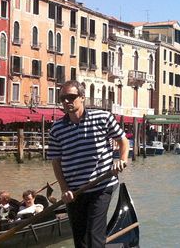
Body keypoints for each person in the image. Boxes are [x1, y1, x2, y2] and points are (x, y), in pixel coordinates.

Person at [48, 80, 129, 248]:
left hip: (101, 185)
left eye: (71, 97)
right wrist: (64, 189)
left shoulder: (102, 117)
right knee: (80, 239)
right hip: (75, 191)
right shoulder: (56, 129)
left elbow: (123, 141)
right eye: (62, 98)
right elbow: (56, 162)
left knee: (93, 235)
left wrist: (122, 160)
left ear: (82, 97)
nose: (66, 101)